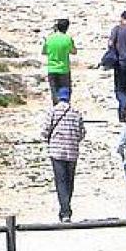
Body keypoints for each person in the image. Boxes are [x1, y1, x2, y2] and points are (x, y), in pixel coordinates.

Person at [40, 86, 85, 222]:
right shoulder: (76, 113)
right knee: (69, 181)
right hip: (72, 152)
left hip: (57, 151)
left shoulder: (52, 112)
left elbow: (45, 131)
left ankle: (65, 211)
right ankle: (66, 208)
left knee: (60, 181)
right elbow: (82, 133)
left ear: (59, 97)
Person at [42, 18, 77, 104]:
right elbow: (74, 51)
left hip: (52, 69)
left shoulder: (49, 38)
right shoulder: (68, 39)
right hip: (64, 69)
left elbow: (44, 52)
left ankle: (56, 112)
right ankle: (65, 110)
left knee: (54, 92)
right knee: (65, 92)